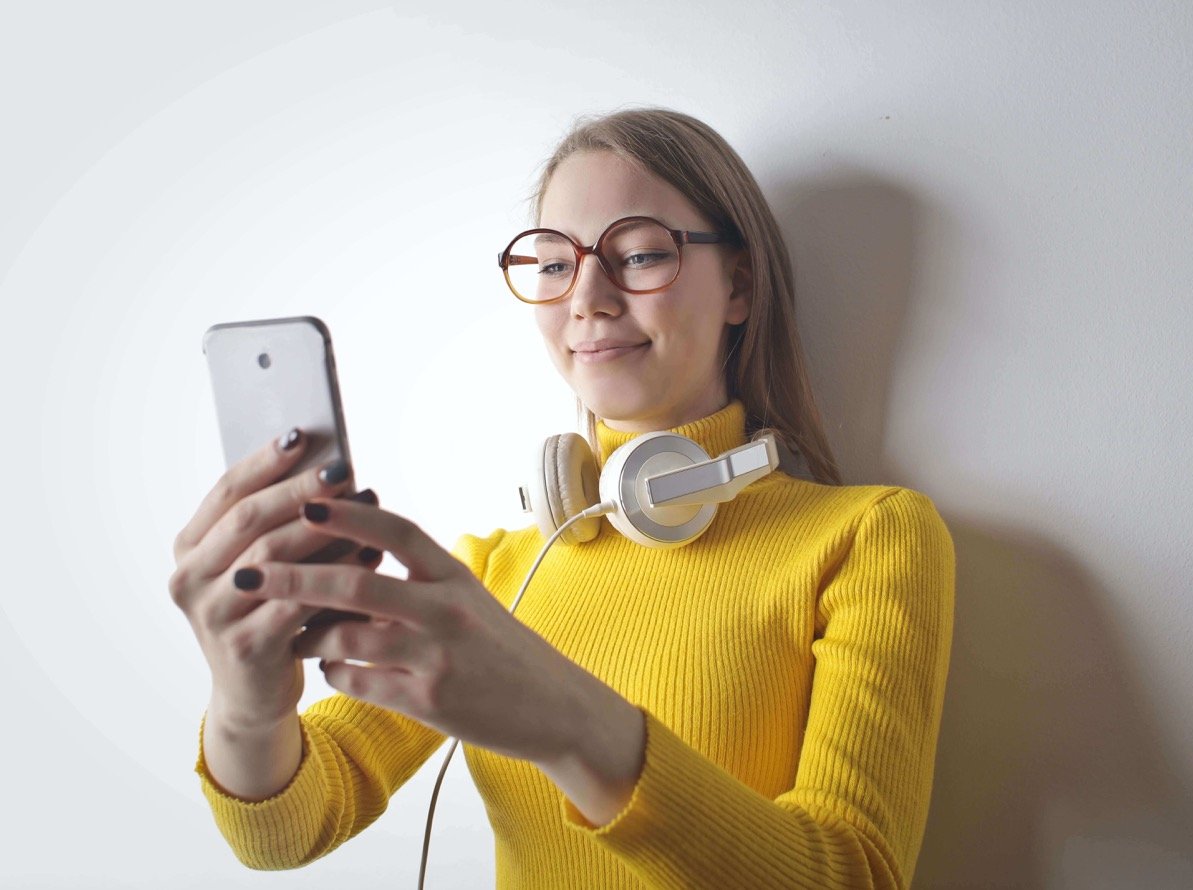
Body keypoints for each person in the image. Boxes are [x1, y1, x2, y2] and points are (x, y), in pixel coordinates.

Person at [170, 107, 955, 889]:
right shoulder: (495, 576)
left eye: (641, 254)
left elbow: (855, 876)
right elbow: (286, 832)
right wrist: (248, 702)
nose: (587, 298)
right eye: (552, 265)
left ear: (740, 284)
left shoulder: (869, 536)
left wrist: (572, 723)